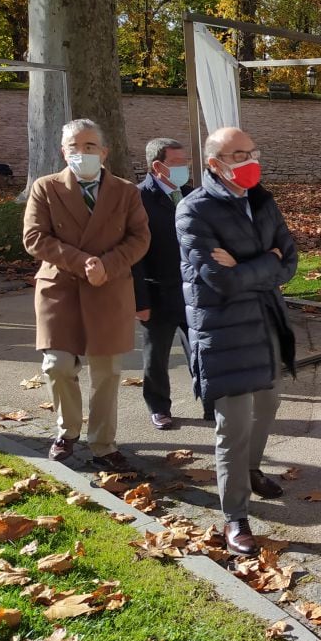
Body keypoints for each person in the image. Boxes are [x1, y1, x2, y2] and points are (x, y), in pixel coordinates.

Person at [176, 126, 298, 556]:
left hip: (265, 323)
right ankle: (235, 516)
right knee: (234, 423)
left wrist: (253, 263)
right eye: (239, 154)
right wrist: (267, 262)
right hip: (223, 331)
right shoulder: (193, 210)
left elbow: (291, 259)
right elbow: (219, 280)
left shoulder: (263, 200)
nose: (250, 161)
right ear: (215, 163)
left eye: (253, 151)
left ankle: (251, 470)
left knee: (268, 404)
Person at [23, 118, 150, 472]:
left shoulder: (126, 191)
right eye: (75, 147)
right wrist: (83, 262)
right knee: (58, 365)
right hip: (60, 288)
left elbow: (140, 238)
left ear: (104, 152)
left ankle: (104, 445)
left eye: (90, 146)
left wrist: (107, 266)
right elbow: (34, 238)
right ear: (64, 152)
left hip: (109, 287)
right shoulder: (45, 188)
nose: (83, 153)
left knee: (107, 372)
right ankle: (67, 432)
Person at [132, 137, 194, 429]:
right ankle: (159, 407)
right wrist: (140, 301)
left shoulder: (190, 194)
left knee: (201, 350)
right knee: (156, 356)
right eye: (179, 163)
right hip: (157, 291)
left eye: (185, 161)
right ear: (158, 166)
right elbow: (135, 254)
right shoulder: (138, 198)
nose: (185, 168)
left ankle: (211, 402)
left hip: (192, 290)